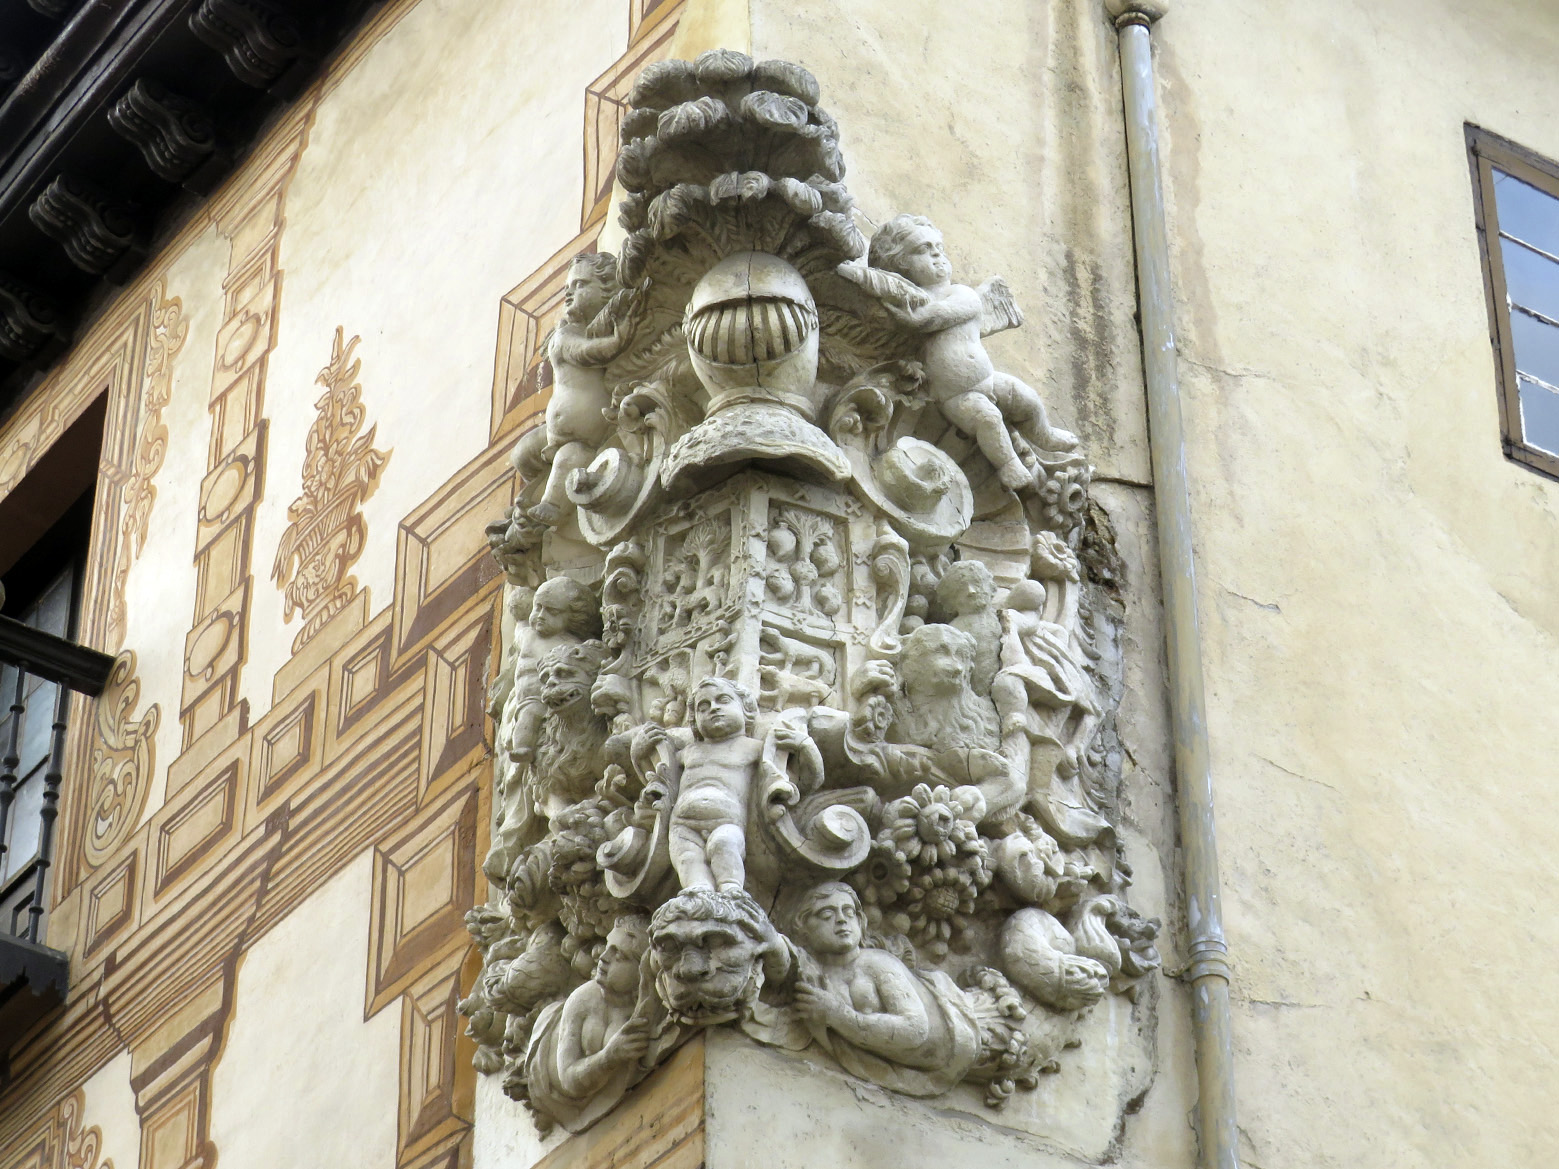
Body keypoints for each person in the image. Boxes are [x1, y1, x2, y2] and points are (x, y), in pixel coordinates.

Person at [837, 214, 1077, 493]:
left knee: (1027, 398)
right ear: (900, 264)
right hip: (955, 395)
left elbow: (935, 315)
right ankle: (1009, 465)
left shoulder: (962, 294)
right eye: (924, 249)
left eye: (938, 247)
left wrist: (909, 313)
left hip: (988, 379)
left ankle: (1045, 434)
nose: (937, 254)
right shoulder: (912, 302)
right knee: (988, 420)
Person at [665, 677, 814, 893]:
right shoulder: (689, 752)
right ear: (695, 721)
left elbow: (805, 782)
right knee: (687, 858)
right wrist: (637, 752)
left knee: (724, 845)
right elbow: (659, 772)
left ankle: (732, 891)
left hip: (727, 821)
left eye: (723, 700)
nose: (713, 708)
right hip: (682, 824)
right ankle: (698, 892)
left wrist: (806, 747)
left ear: (746, 709)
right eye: (703, 707)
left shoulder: (753, 748)